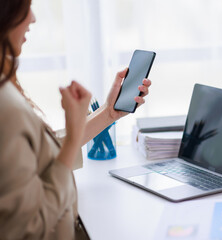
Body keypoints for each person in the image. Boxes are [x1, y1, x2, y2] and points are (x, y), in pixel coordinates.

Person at [0, 1, 151, 239]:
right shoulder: (5, 103)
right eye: (24, 7)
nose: (32, 18)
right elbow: (28, 226)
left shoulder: (5, 88)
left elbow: (40, 158)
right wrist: (72, 135)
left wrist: (108, 113)